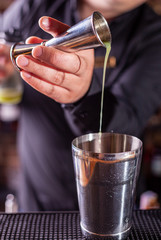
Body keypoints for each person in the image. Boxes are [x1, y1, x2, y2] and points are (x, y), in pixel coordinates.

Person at [1, 0, 161, 211]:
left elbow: (125, 126)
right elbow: (6, 63)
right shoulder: (33, 6)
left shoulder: (154, 37)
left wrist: (85, 94)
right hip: (35, 199)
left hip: (110, 205)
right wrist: (6, 75)